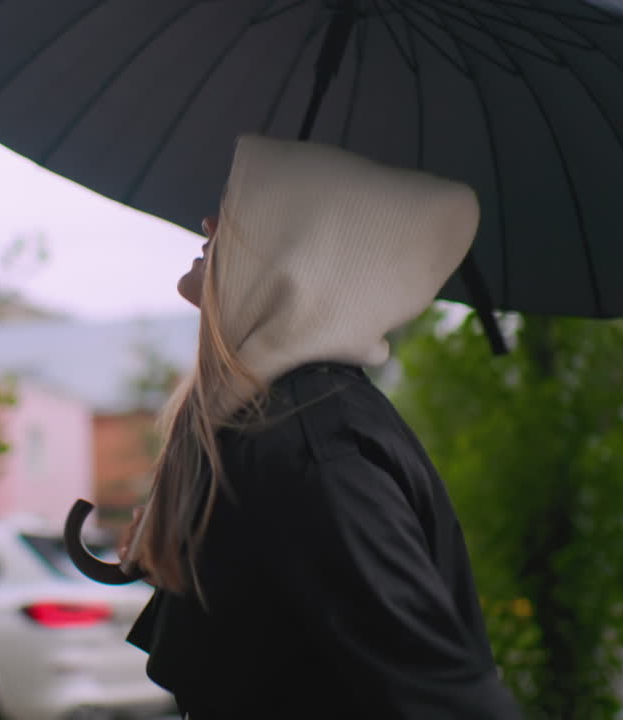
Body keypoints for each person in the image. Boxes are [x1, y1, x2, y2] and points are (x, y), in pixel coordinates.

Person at [117, 135, 522, 719]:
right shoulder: (278, 423)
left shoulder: (313, 447)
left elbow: (448, 700)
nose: (207, 219)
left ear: (298, 254)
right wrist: (192, 546)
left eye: (238, 206)